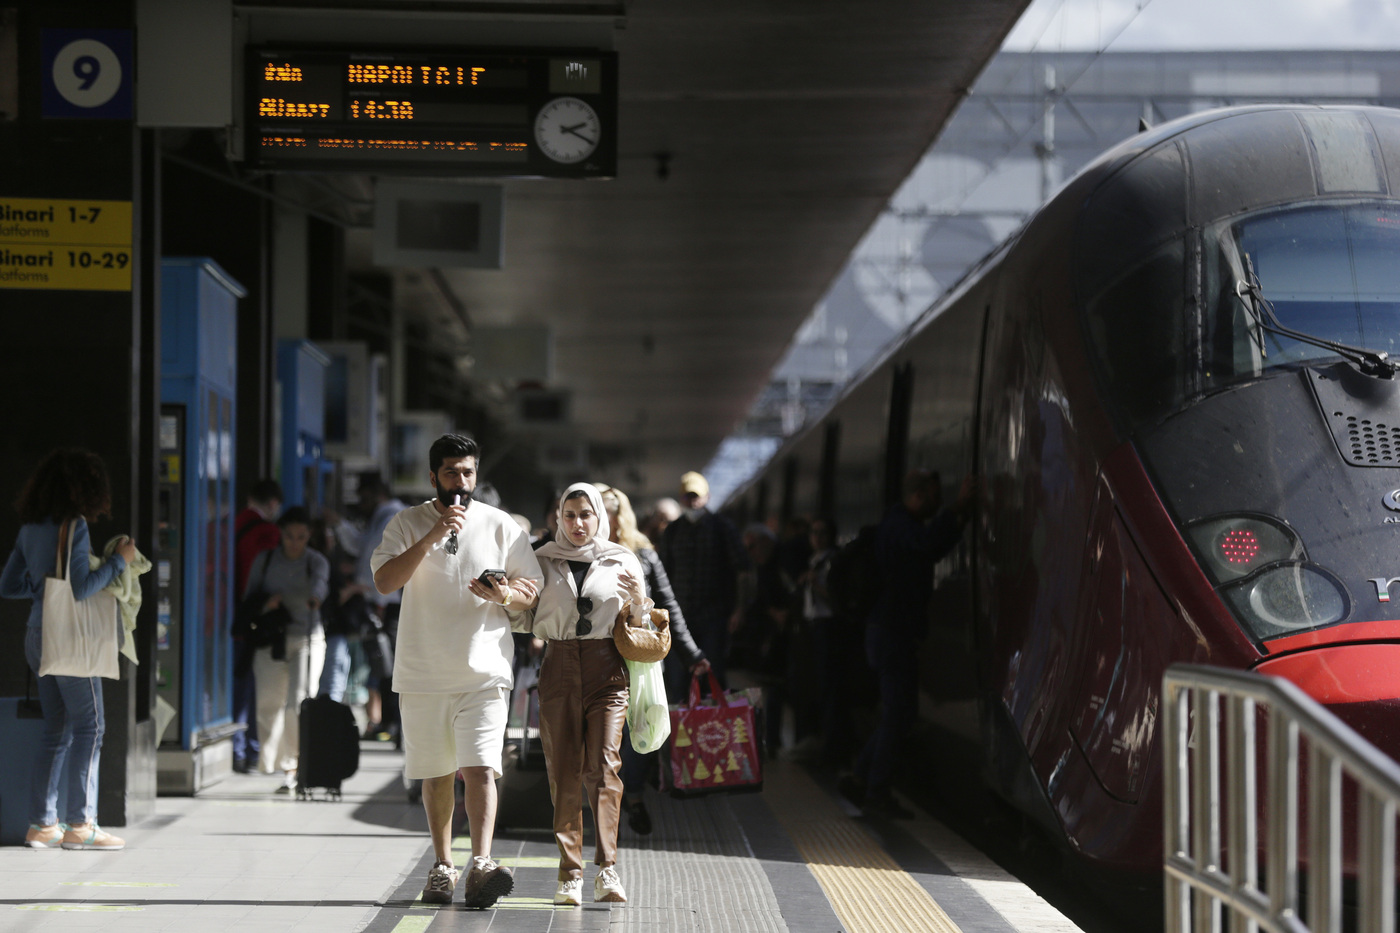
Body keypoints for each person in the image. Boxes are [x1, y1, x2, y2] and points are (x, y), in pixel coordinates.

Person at [371, 434, 542, 909]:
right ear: (433, 477)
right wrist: (431, 535)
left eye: (467, 472)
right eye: (451, 473)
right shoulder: (406, 523)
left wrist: (504, 594)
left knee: (482, 768)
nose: (460, 482)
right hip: (423, 672)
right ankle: (443, 865)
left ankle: (482, 864)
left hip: (484, 670)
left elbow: (532, 589)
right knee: (436, 774)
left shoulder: (500, 525)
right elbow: (385, 582)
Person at [1, 447, 136, 850]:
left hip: (37, 635)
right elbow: (80, 588)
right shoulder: (73, 526)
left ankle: (41, 824)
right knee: (90, 727)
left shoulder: (30, 528)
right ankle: (81, 824)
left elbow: (8, 586)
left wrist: (41, 590)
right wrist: (119, 563)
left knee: (55, 730)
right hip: (69, 639)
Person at [521, 483, 647, 906]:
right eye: (569, 514)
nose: (577, 523)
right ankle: (570, 873)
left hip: (607, 669)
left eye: (585, 514)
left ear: (600, 517)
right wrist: (504, 595)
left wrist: (639, 603)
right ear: (558, 516)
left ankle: (607, 869)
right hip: (558, 667)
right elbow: (523, 619)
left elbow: (639, 623)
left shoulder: (621, 558)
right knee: (564, 770)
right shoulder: (541, 559)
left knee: (605, 766)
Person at [842, 470, 972, 818]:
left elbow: (928, 551)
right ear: (917, 496)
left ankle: (861, 777)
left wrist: (959, 520)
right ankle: (875, 793)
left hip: (890, 632)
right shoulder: (899, 525)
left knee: (900, 711)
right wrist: (957, 509)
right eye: (933, 496)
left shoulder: (899, 525)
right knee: (899, 712)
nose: (938, 501)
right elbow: (927, 545)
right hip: (892, 633)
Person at [596, 484, 709, 835]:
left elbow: (668, 606)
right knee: (604, 733)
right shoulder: (579, 552)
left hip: (640, 657)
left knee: (640, 729)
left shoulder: (644, 553)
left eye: (603, 515)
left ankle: (634, 794)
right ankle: (612, 798)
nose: (596, 522)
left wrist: (692, 654)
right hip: (597, 655)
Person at [245, 506, 330, 791]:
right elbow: (249, 598)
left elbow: (321, 584)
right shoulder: (266, 560)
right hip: (272, 639)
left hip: (307, 637)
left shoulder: (315, 561)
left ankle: (295, 764)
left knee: (299, 701)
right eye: (290, 536)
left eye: (301, 537)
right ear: (281, 534)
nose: (295, 542)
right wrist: (267, 605)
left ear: (309, 536)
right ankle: (274, 762)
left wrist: (316, 598)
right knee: (268, 703)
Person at [657, 471, 748, 689]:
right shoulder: (673, 530)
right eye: (688, 496)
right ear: (681, 498)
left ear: (706, 497)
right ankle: (682, 723)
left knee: (712, 675)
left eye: (696, 495)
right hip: (679, 618)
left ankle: (713, 721)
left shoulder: (722, 528)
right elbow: (662, 575)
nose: (693, 501)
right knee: (678, 679)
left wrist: (739, 609)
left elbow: (743, 570)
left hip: (714, 616)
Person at [232, 479, 283, 773]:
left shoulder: (229, 524)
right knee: (254, 687)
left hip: (227, 616)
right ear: (273, 503)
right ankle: (249, 749)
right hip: (254, 618)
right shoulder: (267, 533)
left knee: (237, 683)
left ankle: (238, 747)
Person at [356, 477, 406, 741]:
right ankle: (389, 722)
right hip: (386, 603)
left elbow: (382, 561)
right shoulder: (384, 515)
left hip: (390, 604)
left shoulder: (392, 515)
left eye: (364, 497)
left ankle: (394, 724)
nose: (360, 505)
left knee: (389, 665)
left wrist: (380, 602)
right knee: (385, 665)